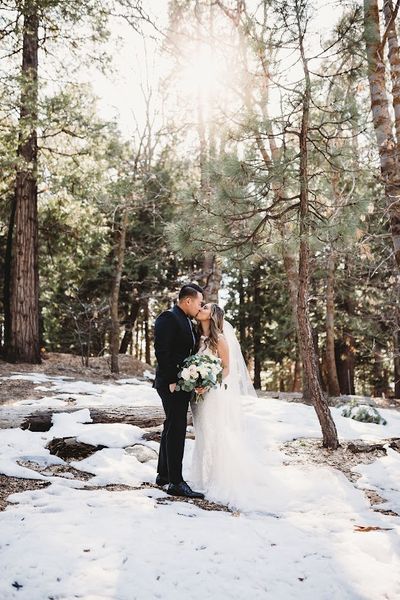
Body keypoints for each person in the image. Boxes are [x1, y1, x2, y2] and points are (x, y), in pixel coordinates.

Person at [190, 302, 258, 509]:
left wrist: (207, 383)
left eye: (205, 308)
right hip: (195, 394)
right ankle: (201, 477)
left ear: (213, 316)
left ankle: (218, 478)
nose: (200, 308)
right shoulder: (194, 336)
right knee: (201, 433)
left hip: (213, 394)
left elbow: (227, 369)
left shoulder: (219, 339)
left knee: (214, 432)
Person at [153, 283, 205, 499]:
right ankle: (176, 482)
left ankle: (164, 475)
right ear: (188, 301)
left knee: (171, 425)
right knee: (176, 429)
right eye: (199, 303)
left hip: (182, 383)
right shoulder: (169, 318)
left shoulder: (187, 321)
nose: (200, 307)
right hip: (171, 383)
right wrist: (172, 379)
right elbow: (161, 351)